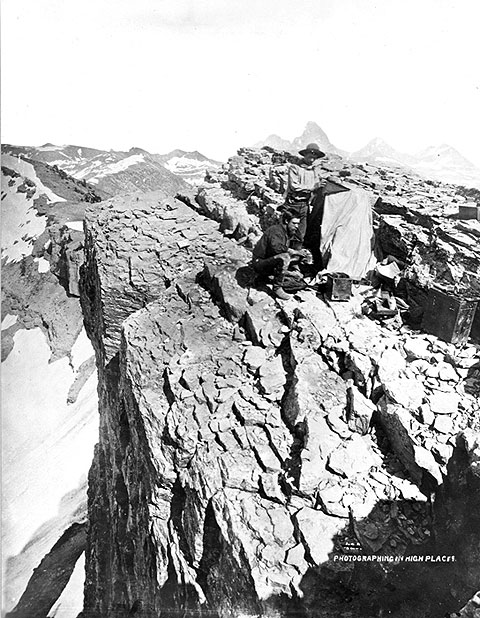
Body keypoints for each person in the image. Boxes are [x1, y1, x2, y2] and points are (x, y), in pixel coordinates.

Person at [252, 209, 310, 300]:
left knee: (298, 278)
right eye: (294, 223)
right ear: (286, 221)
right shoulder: (276, 230)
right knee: (285, 257)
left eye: (298, 224)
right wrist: (294, 252)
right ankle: (277, 287)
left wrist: (301, 256)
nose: (297, 226)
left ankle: (267, 278)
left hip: (271, 262)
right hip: (260, 263)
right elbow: (276, 248)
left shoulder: (288, 232)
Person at [285, 142, 327, 250]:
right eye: (310, 157)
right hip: (293, 203)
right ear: (305, 155)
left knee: (300, 233)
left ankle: (295, 261)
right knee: (287, 231)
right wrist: (313, 187)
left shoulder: (314, 171)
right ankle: (280, 257)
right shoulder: (294, 168)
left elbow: (319, 183)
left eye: (314, 158)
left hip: (304, 205)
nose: (312, 160)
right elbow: (294, 186)